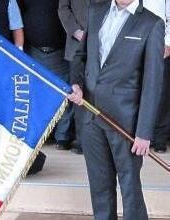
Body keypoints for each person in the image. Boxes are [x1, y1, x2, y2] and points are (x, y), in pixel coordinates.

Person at [68, 0, 164, 219]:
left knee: (130, 190)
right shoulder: (96, 10)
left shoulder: (152, 24)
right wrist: (77, 83)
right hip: (90, 117)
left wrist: (144, 132)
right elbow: (80, 56)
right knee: (100, 188)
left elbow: (152, 83)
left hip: (126, 124)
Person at [18, 0, 74, 150]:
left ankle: (62, 137)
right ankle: (40, 135)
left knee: (65, 93)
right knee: (34, 95)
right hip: (33, 51)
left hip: (61, 52)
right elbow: (17, 16)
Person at [58, 0, 108, 154]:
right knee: (78, 93)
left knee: (101, 92)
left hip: (102, 45)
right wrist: (75, 31)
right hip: (76, 45)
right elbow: (63, 9)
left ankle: (103, 138)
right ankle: (81, 140)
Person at [143, 0, 170, 153]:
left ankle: (159, 138)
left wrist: (168, 43)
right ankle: (143, 135)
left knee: (161, 93)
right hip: (135, 42)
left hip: (161, 43)